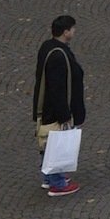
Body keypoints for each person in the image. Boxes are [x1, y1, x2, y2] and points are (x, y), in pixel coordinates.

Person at [33, 14, 85, 196]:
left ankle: (50, 177)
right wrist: (65, 115)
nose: (74, 31)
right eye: (72, 29)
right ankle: (56, 183)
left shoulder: (48, 48)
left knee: (48, 141)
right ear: (66, 32)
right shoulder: (58, 55)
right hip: (55, 110)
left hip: (47, 108)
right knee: (55, 142)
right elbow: (57, 89)